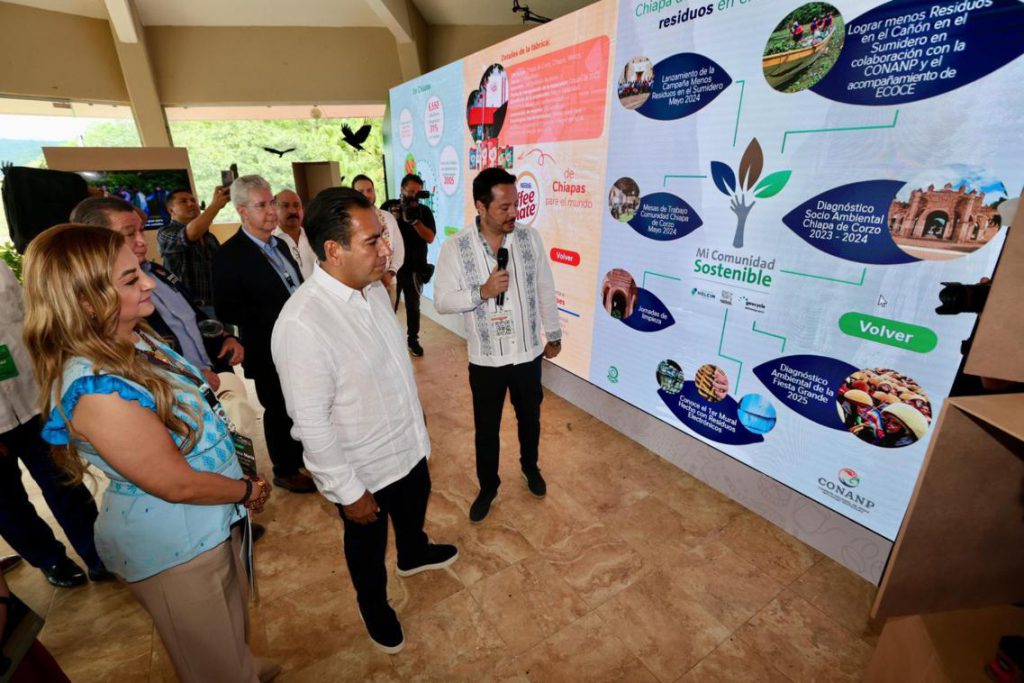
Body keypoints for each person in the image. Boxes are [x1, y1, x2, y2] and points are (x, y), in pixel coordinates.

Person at [22, 224, 278, 683]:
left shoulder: (135, 337)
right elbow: (173, 482)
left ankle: (241, 665)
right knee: (209, 662)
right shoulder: (97, 389)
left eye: (140, 270)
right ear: (85, 300)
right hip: (176, 542)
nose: (149, 283)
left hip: (210, 519)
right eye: (130, 278)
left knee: (228, 624)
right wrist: (245, 490)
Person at [271, 188, 457, 654]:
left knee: (414, 509)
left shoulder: (372, 290)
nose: (386, 248)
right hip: (365, 470)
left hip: (407, 445)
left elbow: (390, 367)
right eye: (373, 241)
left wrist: (418, 428)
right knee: (367, 546)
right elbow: (310, 424)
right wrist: (348, 491)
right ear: (333, 250)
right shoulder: (302, 323)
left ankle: (413, 553)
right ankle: (373, 606)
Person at [434, 168, 562, 523]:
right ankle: (488, 487)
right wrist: (482, 292)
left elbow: (545, 287)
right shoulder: (456, 247)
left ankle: (530, 467)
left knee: (530, 418)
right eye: (504, 207)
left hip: (527, 354)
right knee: (486, 429)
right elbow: (442, 300)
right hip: (486, 359)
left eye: (516, 204)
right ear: (480, 206)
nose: (514, 213)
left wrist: (553, 334)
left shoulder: (529, 239)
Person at [0, 259, 111, 588]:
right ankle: (50, 559)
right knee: (6, 504)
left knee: (64, 481)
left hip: (33, 399)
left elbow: (28, 320)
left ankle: (98, 553)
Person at [213, 176, 314, 494]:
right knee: (279, 408)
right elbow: (227, 309)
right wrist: (279, 316)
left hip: (300, 340)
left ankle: (306, 456)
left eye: (272, 202)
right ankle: (285, 470)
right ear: (242, 211)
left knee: (302, 402)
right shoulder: (229, 255)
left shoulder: (279, 244)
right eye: (262, 205)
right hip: (266, 345)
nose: (271, 211)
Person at [380, 174, 435, 356]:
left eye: (418, 192)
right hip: (392, 269)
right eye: (411, 191)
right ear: (402, 190)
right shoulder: (388, 207)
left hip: (415, 268)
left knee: (413, 307)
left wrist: (415, 222)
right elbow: (378, 233)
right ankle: (387, 343)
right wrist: (394, 218)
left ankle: (413, 340)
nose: (414, 196)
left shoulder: (424, 211)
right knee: (389, 306)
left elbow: (430, 237)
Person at [157, 186, 231, 315]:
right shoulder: (165, 233)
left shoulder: (209, 237)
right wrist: (215, 205)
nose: (191, 204)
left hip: (219, 305)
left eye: (193, 200)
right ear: (171, 210)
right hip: (188, 308)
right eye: (183, 201)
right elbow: (189, 235)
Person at [352, 175, 405, 307]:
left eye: (369, 190)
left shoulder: (388, 217)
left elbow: (399, 248)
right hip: (362, 285)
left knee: (389, 317)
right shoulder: (349, 221)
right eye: (361, 191)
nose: (366, 195)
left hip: (389, 281)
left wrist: (391, 272)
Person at [273, 190, 317, 280]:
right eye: (285, 206)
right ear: (274, 210)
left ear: (302, 210)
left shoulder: (315, 236)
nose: (292, 211)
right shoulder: (270, 242)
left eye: (296, 205)